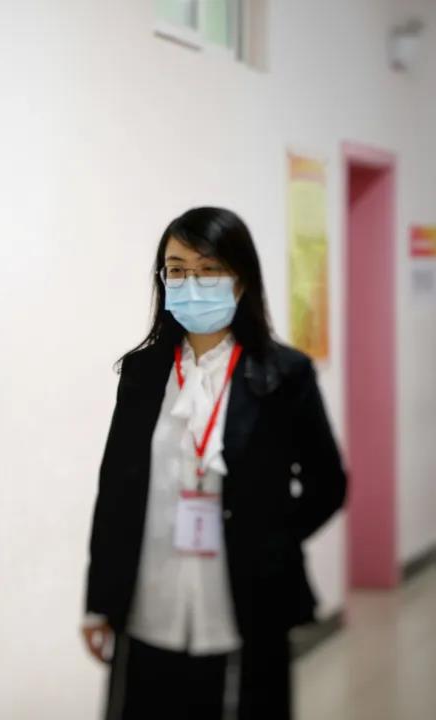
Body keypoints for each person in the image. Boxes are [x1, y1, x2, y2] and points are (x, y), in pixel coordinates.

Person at [82, 207, 347, 719]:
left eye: (208, 269)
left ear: (241, 279)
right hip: (148, 601)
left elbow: (327, 483)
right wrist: (98, 600)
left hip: (246, 601)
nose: (191, 283)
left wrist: (271, 538)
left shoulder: (283, 374)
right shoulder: (142, 372)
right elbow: (115, 491)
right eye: (177, 270)